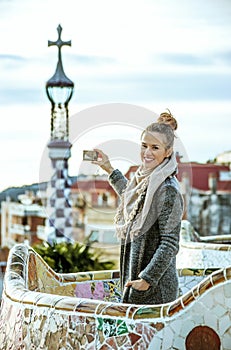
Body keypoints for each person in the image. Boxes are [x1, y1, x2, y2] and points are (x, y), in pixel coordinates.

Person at [93, 111, 184, 305]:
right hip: (137, 283)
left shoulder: (168, 189)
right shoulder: (146, 179)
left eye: (155, 147)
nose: (147, 153)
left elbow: (170, 243)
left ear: (168, 152)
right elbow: (132, 197)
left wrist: (147, 280)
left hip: (155, 291)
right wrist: (109, 168)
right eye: (144, 146)